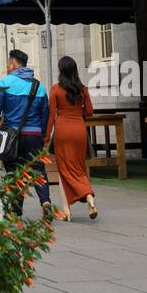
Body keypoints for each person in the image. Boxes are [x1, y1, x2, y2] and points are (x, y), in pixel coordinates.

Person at [0, 48, 52, 219]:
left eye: (8, 64)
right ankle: (45, 201)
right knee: (38, 169)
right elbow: (45, 113)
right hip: (34, 135)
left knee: (14, 172)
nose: (7, 66)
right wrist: (43, 134)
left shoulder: (4, 83)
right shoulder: (39, 86)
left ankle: (16, 211)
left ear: (13, 64)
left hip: (11, 137)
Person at [46, 54, 97, 221]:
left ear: (61, 71)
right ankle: (89, 197)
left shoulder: (55, 89)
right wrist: (76, 113)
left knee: (63, 170)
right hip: (79, 131)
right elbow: (89, 111)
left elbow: (51, 115)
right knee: (79, 168)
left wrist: (46, 138)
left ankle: (67, 210)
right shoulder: (82, 89)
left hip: (62, 131)